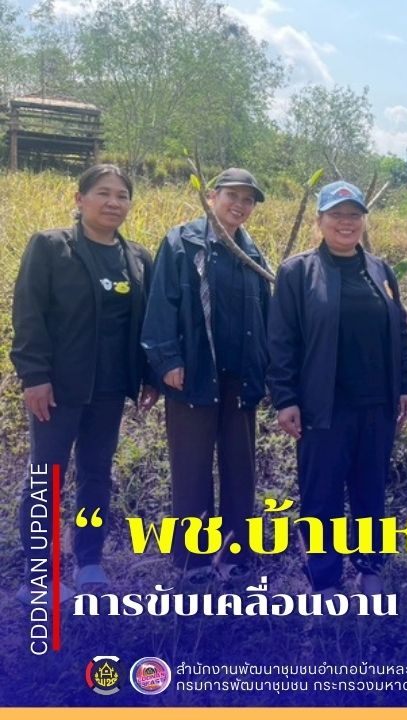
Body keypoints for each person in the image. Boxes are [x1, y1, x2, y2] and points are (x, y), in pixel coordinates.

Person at [11, 164, 157, 600]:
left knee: (97, 474)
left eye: (122, 196)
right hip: (58, 387)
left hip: (110, 389)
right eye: (103, 193)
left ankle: (88, 561)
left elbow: (146, 324)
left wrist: (149, 376)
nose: (113, 202)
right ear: (79, 199)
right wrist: (34, 376)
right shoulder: (51, 247)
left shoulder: (137, 259)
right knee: (46, 475)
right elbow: (29, 314)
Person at [267, 180, 407, 596]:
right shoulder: (297, 272)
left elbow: (399, 332)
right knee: (322, 496)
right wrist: (285, 398)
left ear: (364, 222)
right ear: (320, 221)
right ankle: (326, 579)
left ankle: (370, 569)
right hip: (322, 407)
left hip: (377, 406)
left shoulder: (380, 270)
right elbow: (281, 340)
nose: (346, 224)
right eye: (337, 215)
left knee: (371, 490)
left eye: (354, 216)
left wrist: (404, 385)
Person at [141, 168, 271, 585]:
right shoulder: (182, 242)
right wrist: (167, 361)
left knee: (240, 471)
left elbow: (266, 321)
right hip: (193, 378)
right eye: (232, 195)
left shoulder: (253, 255)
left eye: (248, 199)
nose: (240, 205)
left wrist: (265, 372)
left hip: (240, 382)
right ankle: (192, 562)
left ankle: (235, 555)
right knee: (191, 470)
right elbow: (161, 304)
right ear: (212, 196)